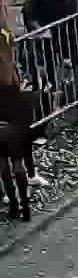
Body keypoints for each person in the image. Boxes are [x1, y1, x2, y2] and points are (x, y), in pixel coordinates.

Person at [0, 54, 33, 221]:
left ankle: (13, 204)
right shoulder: (14, 85)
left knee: (4, 167)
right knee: (18, 165)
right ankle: (25, 207)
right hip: (15, 129)